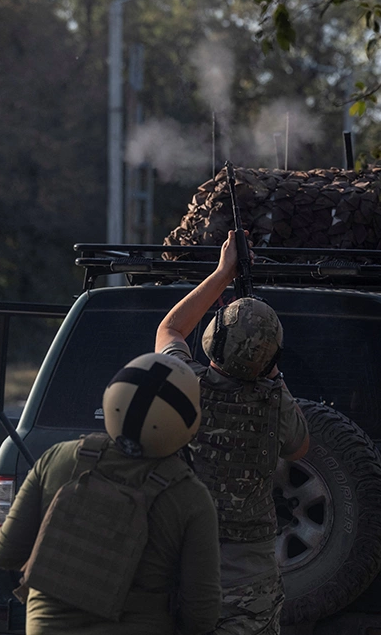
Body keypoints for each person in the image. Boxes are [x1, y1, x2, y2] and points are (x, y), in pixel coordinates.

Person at [0, 352, 221, 635]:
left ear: (112, 396)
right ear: (189, 424)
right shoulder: (190, 497)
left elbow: (5, 554)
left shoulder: (58, 459)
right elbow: (201, 615)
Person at [155, 230, 310, 635]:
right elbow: (299, 447)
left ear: (213, 339)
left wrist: (222, 274)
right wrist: (272, 376)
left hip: (183, 568)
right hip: (249, 581)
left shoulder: (185, 384)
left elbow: (171, 330)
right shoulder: (275, 404)